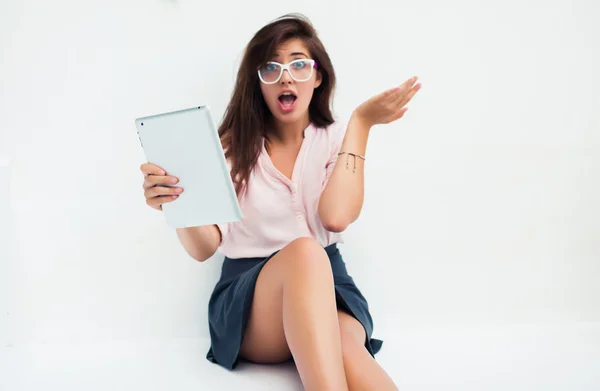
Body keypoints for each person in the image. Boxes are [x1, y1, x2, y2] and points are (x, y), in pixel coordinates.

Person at [140, 13, 420, 391]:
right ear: (258, 83)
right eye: (270, 68)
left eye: (299, 64)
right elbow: (203, 248)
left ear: (318, 77)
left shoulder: (337, 137)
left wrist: (361, 123)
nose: (286, 76)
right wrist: (176, 203)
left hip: (333, 285)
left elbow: (336, 217)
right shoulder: (229, 148)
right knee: (305, 252)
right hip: (252, 300)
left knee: (344, 346)